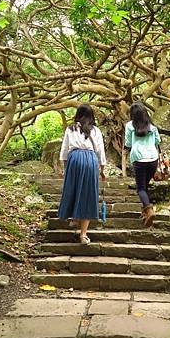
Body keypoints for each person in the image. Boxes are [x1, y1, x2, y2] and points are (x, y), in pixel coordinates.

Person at [58, 104, 106, 244]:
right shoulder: (95, 130)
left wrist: (64, 167)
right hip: (91, 160)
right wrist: (102, 170)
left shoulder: (70, 128)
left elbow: (64, 149)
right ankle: (83, 235)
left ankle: (74, 218)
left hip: (74, 159)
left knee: (72, 189)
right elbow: (100, 151)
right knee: (88, 194)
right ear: (92, 116)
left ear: (78, 114)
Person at [124, 102, 160, 227]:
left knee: (141, 188)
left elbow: (128, 143)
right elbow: (157, 141)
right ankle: (145, 211)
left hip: (139, 159)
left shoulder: (129, 126)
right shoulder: (152, 127)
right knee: (145, 185)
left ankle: (149, 210)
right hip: (153, 159)